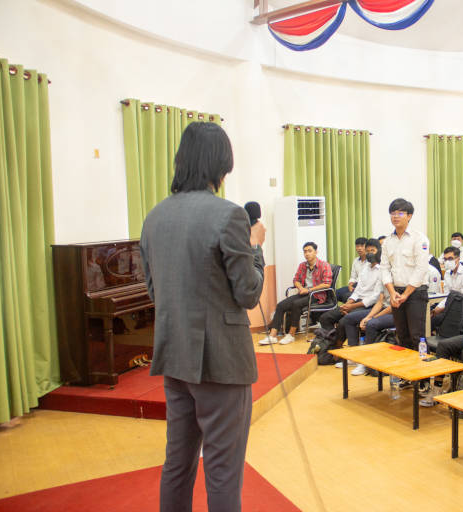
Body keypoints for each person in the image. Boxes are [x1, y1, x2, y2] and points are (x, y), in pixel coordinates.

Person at [140, 122, 265, 512]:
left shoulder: (155, 217)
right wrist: (255, 248)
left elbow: (152, 289)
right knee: (223, 470)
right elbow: (248, 293)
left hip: (174, 356)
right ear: (220, 165)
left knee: (177, 462)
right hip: (221, 363)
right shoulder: (229, 216)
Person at [380, 198, 431, 350]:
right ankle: (405, 374)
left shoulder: (419, 238)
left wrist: (406, 294)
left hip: (415, 293)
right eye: (393, 213)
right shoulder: (388, 241)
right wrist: (392, 292)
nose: (395, 216)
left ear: (409, 216)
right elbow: (384, 268)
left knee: (417, 336)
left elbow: (421, 269)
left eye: (400, 213)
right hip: (396, 293)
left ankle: (422, 374)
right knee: (402, 336)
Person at [320, 239, 383, 355]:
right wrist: (349, 302)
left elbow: (375, 297)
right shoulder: (365, 268)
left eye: (372, 251)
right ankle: (331, 344)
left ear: (379, 251)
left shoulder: (383, 270)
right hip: (356, 302)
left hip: (369, 305)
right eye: (367, 251)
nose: (369, 254)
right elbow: (358, 289)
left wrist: (352, 306)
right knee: (325, 317)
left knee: (344, 321)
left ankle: (347, 352)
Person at [262, 242, 332, 345]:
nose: (307, 254)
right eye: (305, 251)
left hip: (317, 295)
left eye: (310, 251)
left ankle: (291, 335)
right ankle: (272, 335)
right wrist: (300, 288)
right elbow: (296, 280)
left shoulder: (324, 265)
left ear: (316, 252)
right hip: (304, 292)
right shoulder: (303, 265)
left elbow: (327, 284)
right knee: (281, 305)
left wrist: (309, 290)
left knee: (296, 304)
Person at [432, 246, 463, 316]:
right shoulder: (447, 273)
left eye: (450, 259)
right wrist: (438, 307)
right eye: (445, 259)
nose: (447, 262)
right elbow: (447, 295)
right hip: (449, 307)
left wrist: (442, 309)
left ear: (458, 259)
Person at [337, 237, 368, 303]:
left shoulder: (371, 262)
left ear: (367, 247)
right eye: (357, 246)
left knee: (346, 296)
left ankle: (346, 310)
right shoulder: (356, 261)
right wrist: (350, 285)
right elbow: (353, 277)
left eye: (362, 246)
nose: (359, 248)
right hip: (355, 285)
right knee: (336, 293)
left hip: (364, 287)